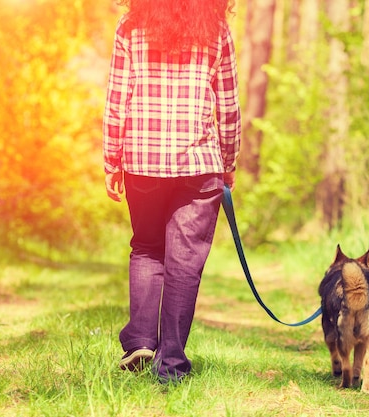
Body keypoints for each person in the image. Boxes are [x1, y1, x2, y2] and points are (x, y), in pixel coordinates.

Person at [102, 0, 241, 383]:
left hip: (143, 160)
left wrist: (112, 159)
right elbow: (228, 106)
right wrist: (229, 160)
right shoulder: (216, 31)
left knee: (147, 247)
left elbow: (117, 99)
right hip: (199, 164)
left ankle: (141, 343)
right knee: (185, 264)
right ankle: (172, 364)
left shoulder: (130, 27)